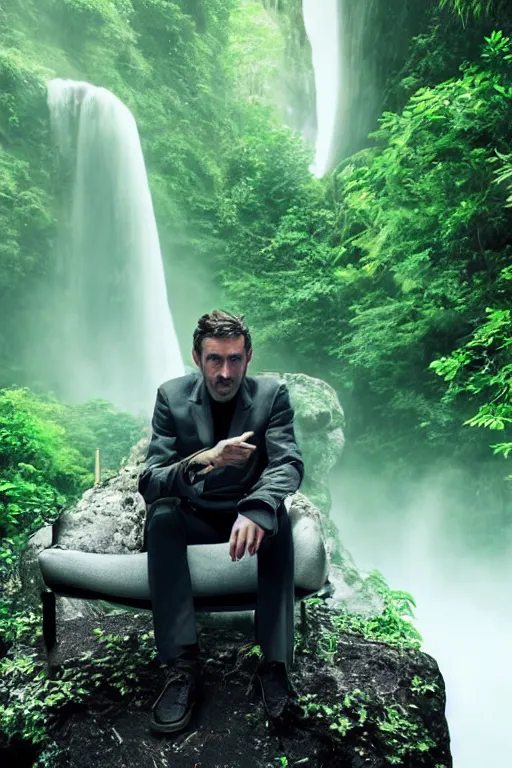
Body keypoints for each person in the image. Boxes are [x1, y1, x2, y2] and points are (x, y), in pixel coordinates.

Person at [138, 309, 304, 734]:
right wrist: (204, 459)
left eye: (234, 359)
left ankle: (274, 665)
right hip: (193, 514)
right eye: (215, 359)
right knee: (161, 517)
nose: (225, 372)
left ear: (249, 357)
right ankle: (181, 669)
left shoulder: (272, 395)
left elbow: (288, 464)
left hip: (245, 515)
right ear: (197, 357)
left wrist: (257, 505)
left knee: (277, 519)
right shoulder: (170, 397)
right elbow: (151, 481)